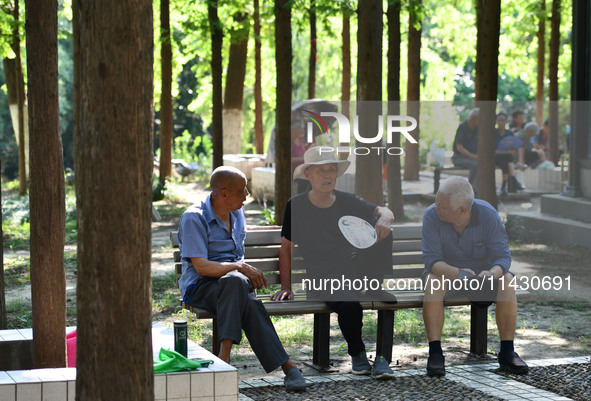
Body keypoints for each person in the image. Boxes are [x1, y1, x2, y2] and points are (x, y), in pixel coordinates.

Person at [271, 146, 397, 379]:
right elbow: (286, 247)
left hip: (352, 270)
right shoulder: (296, 206)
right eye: (321, 171)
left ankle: (373, 285)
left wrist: (386, 217)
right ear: (308, 174)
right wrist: (286, 287)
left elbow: (383, 211)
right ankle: (358, 355)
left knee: (383, 231)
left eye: (331, 170)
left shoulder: (347, 201)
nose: (327, 176)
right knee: (349, 303)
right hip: (322, 277)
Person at [177, 166, 307, 391]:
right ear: (224, 193)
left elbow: (244, 234)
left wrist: (282, 230)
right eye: (242, 190)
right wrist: (240, 266)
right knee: (244, 294)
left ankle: (223, 357)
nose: (247, 194)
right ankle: (288, 367)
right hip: (201, 286)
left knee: (235, 282)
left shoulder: (237, 212)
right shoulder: (194, 218)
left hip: (235, 283)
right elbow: (201, 267)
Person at [421, 177, 528, 377]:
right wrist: (458, 273)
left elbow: (502, 257)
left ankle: (507, 351)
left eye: (443, 206)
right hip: (446, 274)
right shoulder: (431, 215)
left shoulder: (488, 214)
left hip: (483, 277)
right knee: (433, 281)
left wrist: (492, 274)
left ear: (462, 210)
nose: (436, 207)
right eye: (437, 202)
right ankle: (435, 353)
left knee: (507, 279)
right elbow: (431, 260)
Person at [495, 112, 524, 194]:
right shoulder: (493, 133)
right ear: (496, 121)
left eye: (503, 120)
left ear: (506, 121)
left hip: (506, 159)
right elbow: (494, 152)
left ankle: (504, 186)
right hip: (495, 159)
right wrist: (507, 152)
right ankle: (513, 180)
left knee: (506, 160)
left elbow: (515, 147)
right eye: (499, 120)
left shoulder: (509, 133)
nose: (501, 122)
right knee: (507, 158)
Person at [452, 108, 479, 188]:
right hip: (459, 157)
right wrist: (473, 157)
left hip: (472, 157)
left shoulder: (477, 129)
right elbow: (459, 147)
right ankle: (471, 189)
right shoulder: (462, 127)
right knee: (475, 165)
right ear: (473, 118)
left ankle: (477, 188)